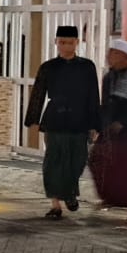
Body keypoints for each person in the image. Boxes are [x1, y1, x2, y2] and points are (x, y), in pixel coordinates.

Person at [24, 24, 99, 219]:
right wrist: (33, 118)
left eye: (70, 42)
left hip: (79, 118)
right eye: (62, 42)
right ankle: (56, 204)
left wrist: (95, 124)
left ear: (77, 43)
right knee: (54, 161)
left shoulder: (87, 66)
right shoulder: (49, 67)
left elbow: (93, 96)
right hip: (55, 118)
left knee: (77, 160)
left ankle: (70, 193)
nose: (66, 46)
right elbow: (38, 93)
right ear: (56, 42)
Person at [89, 38, 127, 225]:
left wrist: (124, 123)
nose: (109, 57)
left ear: (126, 57)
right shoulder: (109, 77)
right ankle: (113, 199)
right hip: (109, 129)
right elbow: (106, 104)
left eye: (114, 54)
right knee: (97, 160)